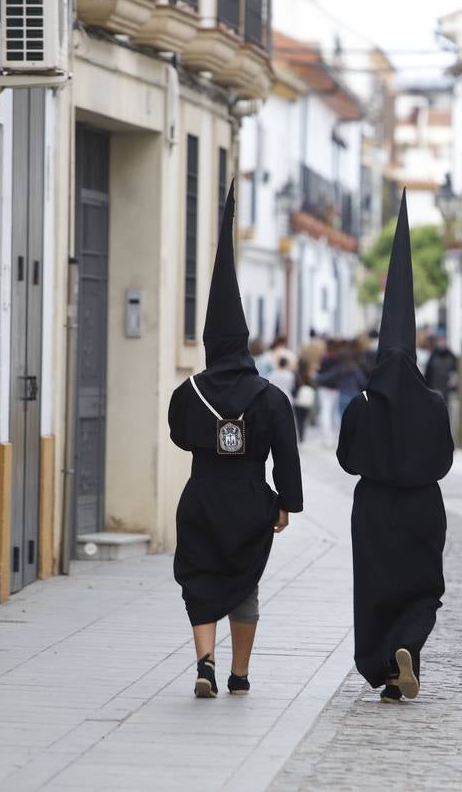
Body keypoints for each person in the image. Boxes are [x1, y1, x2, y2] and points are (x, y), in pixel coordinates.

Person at [169, 185, 303, 699]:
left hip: (202, 494)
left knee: (200, 579)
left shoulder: (190, 391)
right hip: (250, 498)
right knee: (243, 585)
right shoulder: (270, 397)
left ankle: (204, 662)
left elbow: (181, 437)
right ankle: (239, 675)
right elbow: (286, 454)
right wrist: (285, 503)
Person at [337, 195, 453, 702]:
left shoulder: (363, 403)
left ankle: (388, 671)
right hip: (423, 505)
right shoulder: (431, 404)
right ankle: (408, 648)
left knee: (377, 591)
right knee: (423, 589)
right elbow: (445, 459)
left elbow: (345, 459)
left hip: (375, 507)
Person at [423, 331, 459, 408]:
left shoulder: (451, 356)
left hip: (447, 389)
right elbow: (428, 372)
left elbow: (455, 373)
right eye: (440, 340)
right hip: (434, 388)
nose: (442, 342)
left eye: (443, 340)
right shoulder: (433, 355)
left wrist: (453, 384)